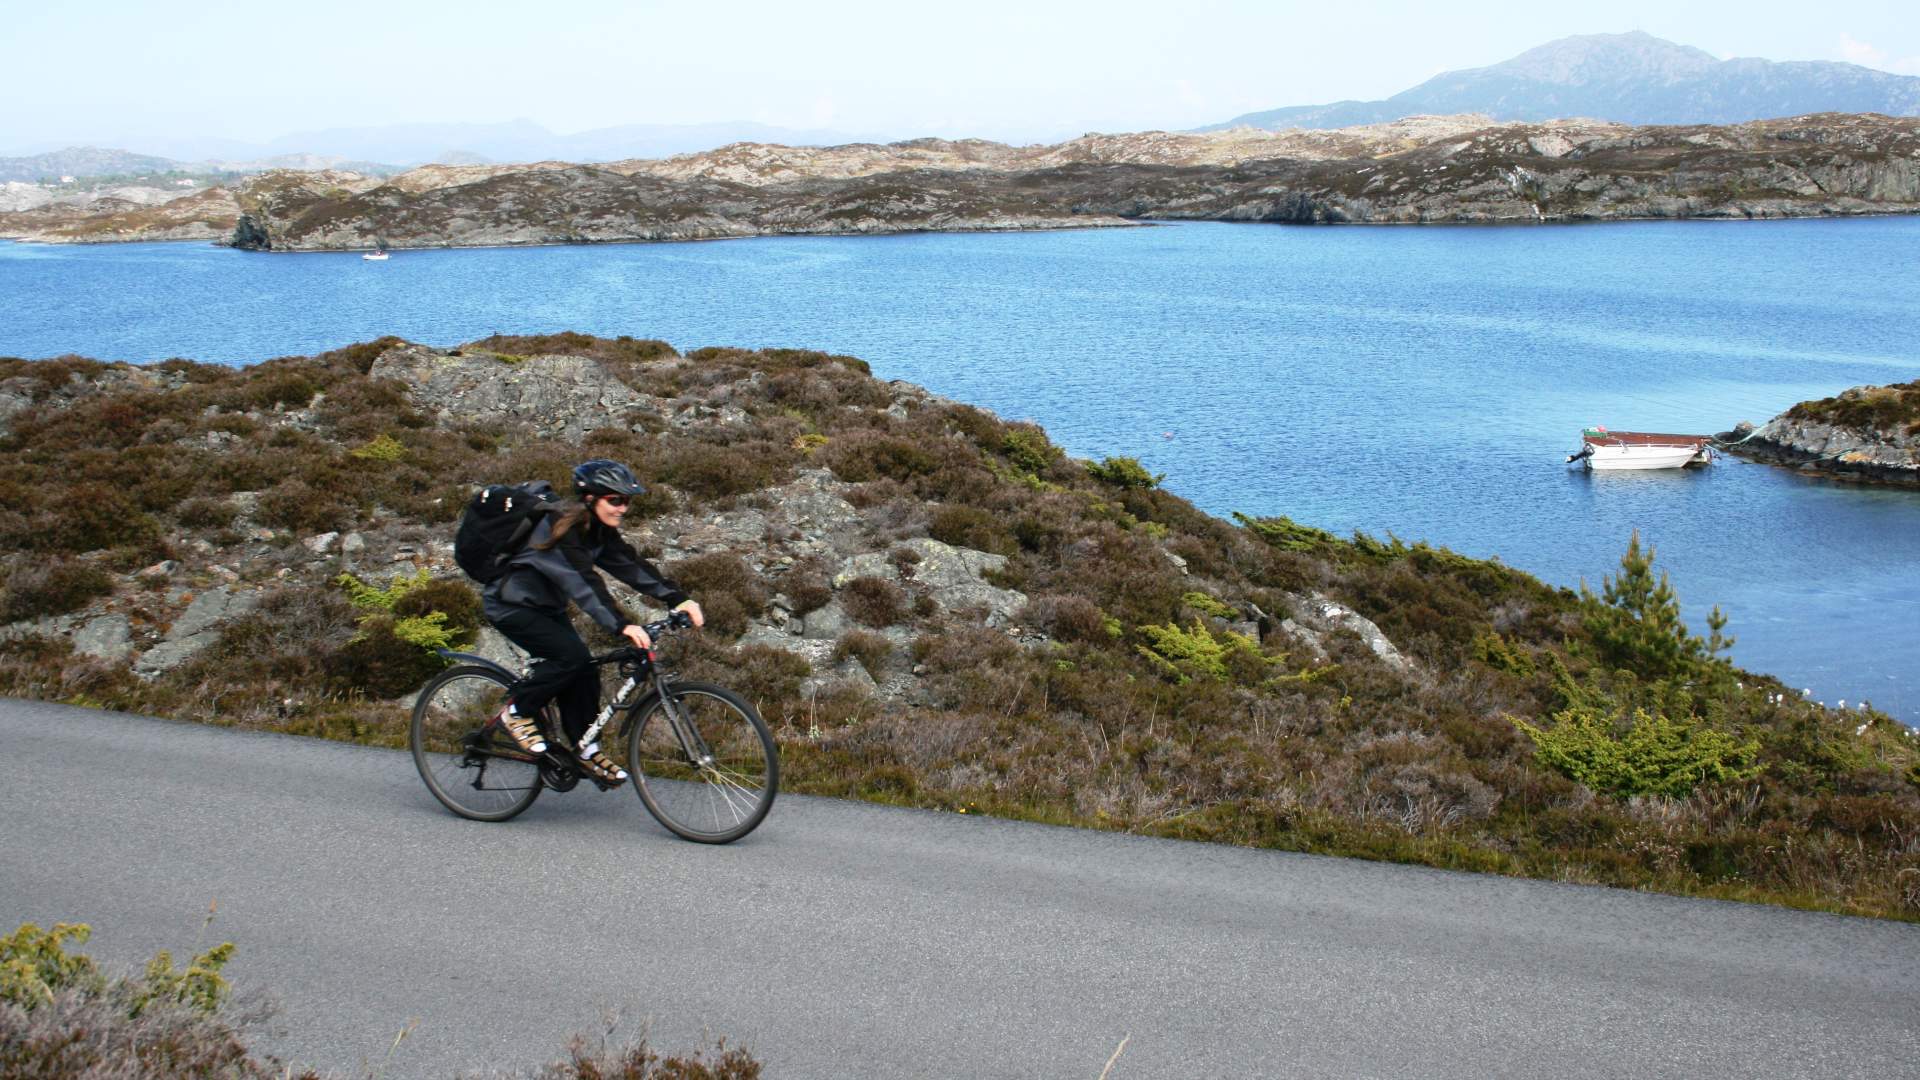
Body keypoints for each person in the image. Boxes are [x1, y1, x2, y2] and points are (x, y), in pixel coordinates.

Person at [482, 459, 703, 784]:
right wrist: (622, 624)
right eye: (615, 499)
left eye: (627, 500)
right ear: (590, 498)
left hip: (545, 606)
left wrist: (678, 598)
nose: (623, 508)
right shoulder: (561, 529)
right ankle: (517, 713)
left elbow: (632, 566)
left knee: (584, 669)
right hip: (511, 605)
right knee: (569, 657)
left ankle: (585, 749)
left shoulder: (598, 531)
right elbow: (584, 585)